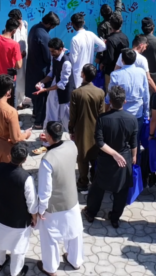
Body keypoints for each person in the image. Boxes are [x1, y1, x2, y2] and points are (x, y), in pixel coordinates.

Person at [84, 86, 138, 228]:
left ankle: (90, 213)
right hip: (124, 159)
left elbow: (99, 142)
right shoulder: (132, 119)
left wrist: (113, 153)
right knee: (121, 190)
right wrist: (133, 157)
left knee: (98, 188)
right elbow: (133, 143)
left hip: (106, 158)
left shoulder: (102, 119)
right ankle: (115, 218)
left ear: (110, 101)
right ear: (125, 101)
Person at [35, 122, 83, 276]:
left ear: (48, 135)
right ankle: (75, 261)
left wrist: (40, 210)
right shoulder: (72, 146)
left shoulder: (47, 160)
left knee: (50, 238)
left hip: (54, 206)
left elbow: (45, 191)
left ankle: (50, 268)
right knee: (75, 232)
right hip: (72, 199)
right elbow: (61, 151)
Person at [0, 144, 38, 276]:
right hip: (19, 221)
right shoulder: (26, 178)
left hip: (1, 215)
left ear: (9, 155)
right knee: (18, 249)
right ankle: (15, 272)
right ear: (25, 160)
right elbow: (32, 203)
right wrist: (34, 218)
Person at [0, 74, 33, 186]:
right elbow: (16, 139)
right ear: (8, 92)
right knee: (7, 185)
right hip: (7, 152)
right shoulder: (10, 111)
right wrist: (26, 134)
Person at [69, 64, 105, 193]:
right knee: (95, 156)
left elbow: (73, 115)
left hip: (81, 129)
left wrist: (71, 129)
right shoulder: (100, 92)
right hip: (96, 130)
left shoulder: (76, 93)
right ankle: (95, 180)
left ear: (83, 74)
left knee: (82, 158)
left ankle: (83, 183)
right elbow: (102, 114)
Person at [27, 12, 60, 130]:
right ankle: (39, 122)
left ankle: (35, 113)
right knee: (42, 95)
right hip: (41, 69)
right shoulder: (45, 36)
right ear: (50, 24)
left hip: (32, 66)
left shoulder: (34, 28)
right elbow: (48, 56)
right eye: (54, 26)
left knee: (35, 92)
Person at [37, 38, 75, 130]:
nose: (51, 53)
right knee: (51, 113)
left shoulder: (66, 63)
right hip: (55, 90)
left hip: (65, 94)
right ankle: (49, 137)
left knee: (66, 119)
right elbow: (51, 74)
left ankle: (75, 140)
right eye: (50, 51)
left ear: (61, 49)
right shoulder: (54, 57)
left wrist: (45, 89)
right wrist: (41, 82)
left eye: (53, 51)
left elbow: (62, 84)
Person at [108, 49, 150, 131]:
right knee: (135, 140)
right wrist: (147, 113)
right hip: (137, 113)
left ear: (122, 60)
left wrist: (107, 107)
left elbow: (110, 95)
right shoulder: (142, 73)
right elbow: (146, 95)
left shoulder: (115, 74)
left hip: (119, 113)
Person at [68, 12, 106, 89]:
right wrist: (94, 49)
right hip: (89, 71)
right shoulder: (90, 34)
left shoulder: (75, 39)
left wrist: (68, 54)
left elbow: (73, 60)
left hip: (78, 73)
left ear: (72, 24)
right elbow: (103, 46)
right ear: (83, 22)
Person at [0, 18, 24, 84]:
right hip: (9, 77)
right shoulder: (15, 45)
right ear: (14, 31)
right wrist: (21, 56)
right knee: (8, 94)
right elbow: (19, 65)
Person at [100, 13, 129, 87]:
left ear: (110, 24)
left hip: (111, 72)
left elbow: (110, 58)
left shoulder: (110, 39)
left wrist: (103, 63)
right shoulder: (125, 37)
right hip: (123, 70)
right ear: (121, 24)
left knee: (110, 93)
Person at [9, 9, 30, 110]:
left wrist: (26, 51)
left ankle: (21, 101)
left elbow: (25, 38)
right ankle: (16, 103)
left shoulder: (25, 24)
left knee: (24, 79)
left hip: (25, 55)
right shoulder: (12, 27)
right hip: (17, 56)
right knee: (18, 79)